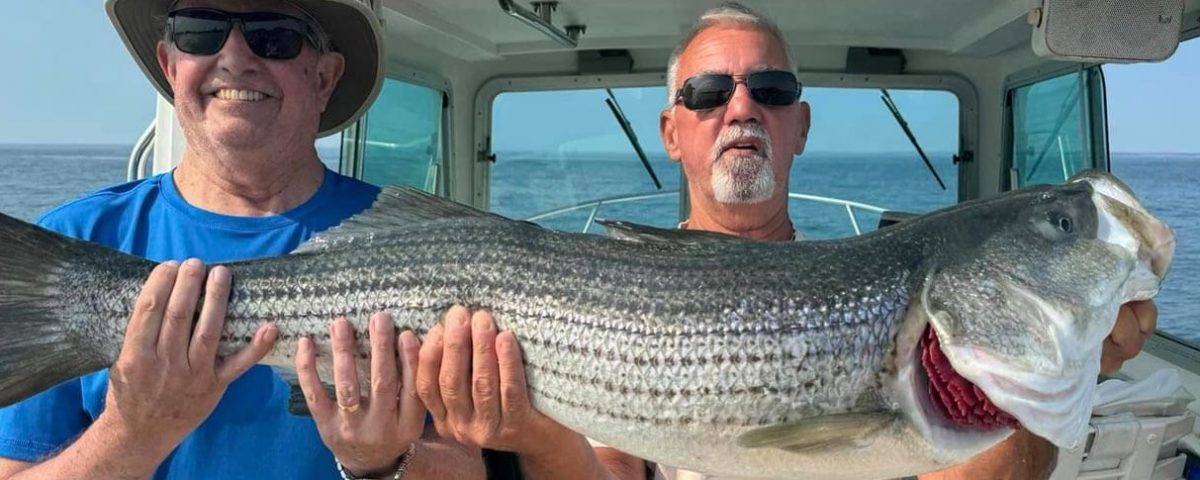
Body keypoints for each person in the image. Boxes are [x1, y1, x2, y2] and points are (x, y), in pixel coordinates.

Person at [413, 2, 1159, 480]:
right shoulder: (608, 290)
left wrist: (1049, 379)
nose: (741, 108)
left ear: (799, 126)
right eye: (708, 94)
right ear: (671, 133)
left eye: (770, 91)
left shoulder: (874, 290)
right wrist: (532, 436)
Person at [0, 1, 484, 478]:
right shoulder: (74, 240)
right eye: (199, 31)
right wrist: (133, 434)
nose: (233, 57)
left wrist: (383, 462)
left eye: (273, 35)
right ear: (170, 65)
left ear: (324, 78)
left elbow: (469, 469)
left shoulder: (428, 246)